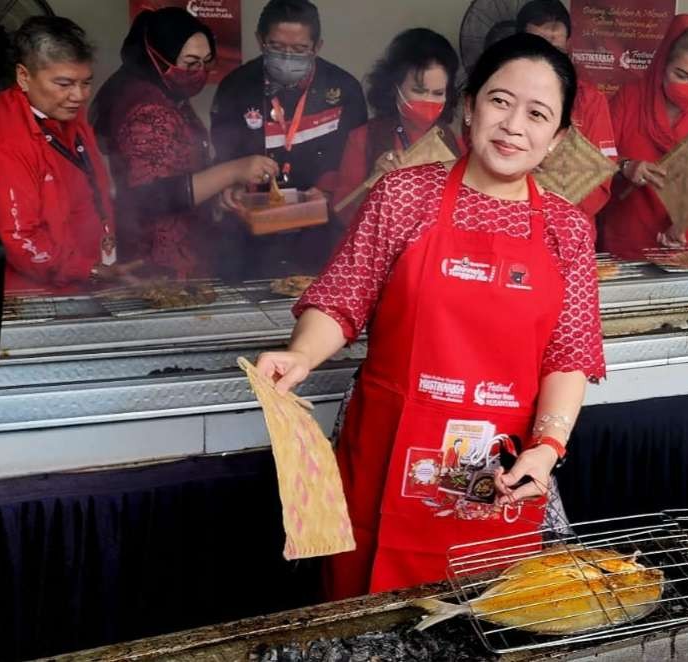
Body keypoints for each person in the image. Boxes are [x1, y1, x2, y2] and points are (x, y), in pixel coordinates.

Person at [256, 34, 605, 599]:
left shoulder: (568, 228)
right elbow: (342, 299)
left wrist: (546, 450)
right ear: (469, 105)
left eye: (537, 114)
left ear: (557, 138)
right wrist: (300, 355)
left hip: (498, 472)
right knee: (365, 621)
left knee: (478, 619)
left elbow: (568, 355)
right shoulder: (402, 195)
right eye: (500, 101)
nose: (514, 124)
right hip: (386, 458)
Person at [91, 8, 279, 278]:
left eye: (205, 63)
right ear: (158, 57)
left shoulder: (169, 96)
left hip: (188, 250)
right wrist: (233, 171)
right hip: (156, 261)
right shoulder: (146, 110)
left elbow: (183, 169)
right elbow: (152, 197)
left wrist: (220, 192)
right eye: (190, 63)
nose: (199, 73)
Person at [0, 16, 138, 292]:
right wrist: (88, 269)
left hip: (80, 286)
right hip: (31, 299)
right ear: (24, 77)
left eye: (86, 83)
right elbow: (18, 239)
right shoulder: (3, 145)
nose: (79, 96)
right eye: (64, 84)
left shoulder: (67, 116)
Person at [210, 0, 367, 279]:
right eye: (277, 48)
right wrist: (231, 190)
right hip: (251, 239)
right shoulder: (235, 87)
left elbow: (356, 161)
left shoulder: (345, 89)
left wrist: (330, 189)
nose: (287, 58)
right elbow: (224, 158)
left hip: (320, 236)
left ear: (317, 47)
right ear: (260, 41)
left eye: (299, 50)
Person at [601, 14, 688, 259]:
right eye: (681, 75)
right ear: (661, 67)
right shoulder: (629, 99)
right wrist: (625, 165)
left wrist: (683, 224)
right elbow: (596, 155)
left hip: (687, 235)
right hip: (629, 231)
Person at [329, 28, 463, 225]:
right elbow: (343, 213)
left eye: (438, 93)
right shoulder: (363, 138)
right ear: (394, 88)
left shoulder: (454, 141)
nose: (428, 100)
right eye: (419, 91)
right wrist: (373, 183)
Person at [517, 0, 618, 232]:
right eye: (538, 49)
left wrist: (561, 219)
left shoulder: (589, 99)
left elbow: (601, 174)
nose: (549, 60)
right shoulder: (500, 97)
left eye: (558, 51)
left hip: (571, 229)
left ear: (569, 45)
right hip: (512, 223)